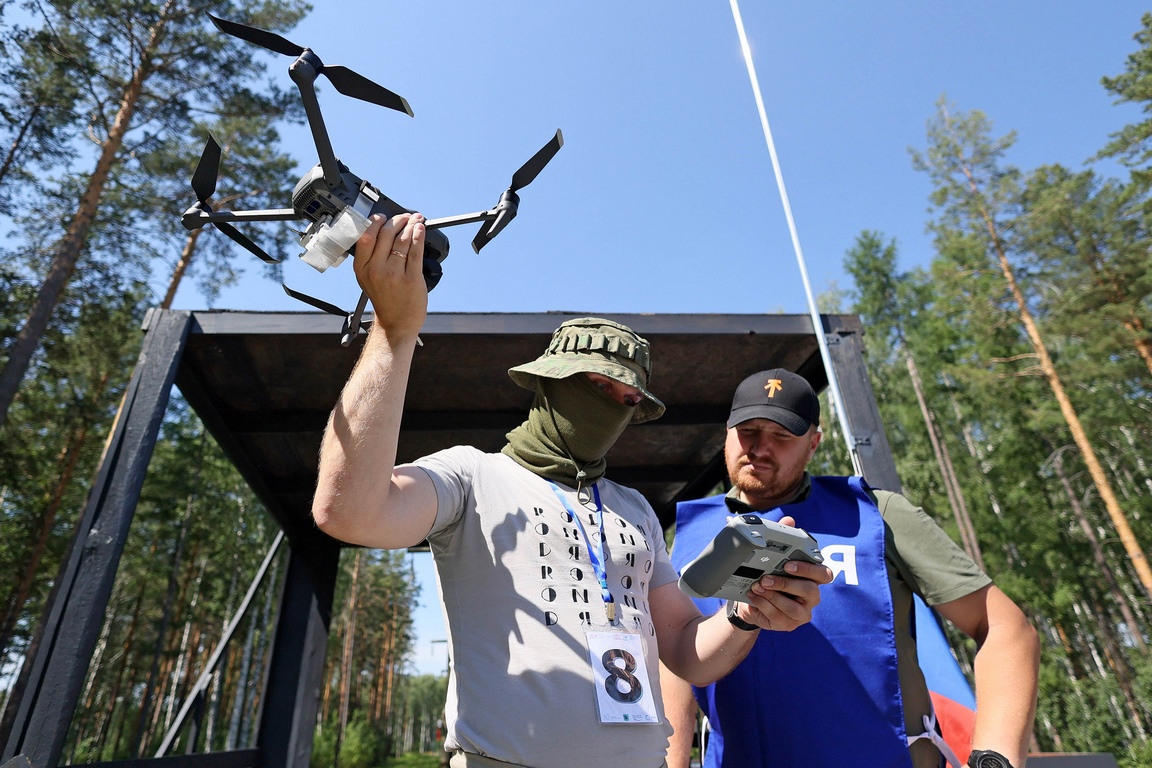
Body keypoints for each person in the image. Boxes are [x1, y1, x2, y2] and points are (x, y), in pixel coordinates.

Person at [310, 213, 832, 768]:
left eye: (628, 400)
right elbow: (348, 512)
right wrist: (394, 333)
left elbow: (685, 649)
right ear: (547, 381)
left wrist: (746, 613)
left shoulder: (634, 509)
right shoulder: (471, 476)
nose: (612, 406)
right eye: (595, 385)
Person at [662, 368, 1040, 768]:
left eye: (782, 436)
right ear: (727, 432)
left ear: (813, 444)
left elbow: (1004, 627)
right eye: (749, 430)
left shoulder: (876, 514)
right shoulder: (686, 535)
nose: (760, 447)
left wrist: (994, 758)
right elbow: (673, 664)